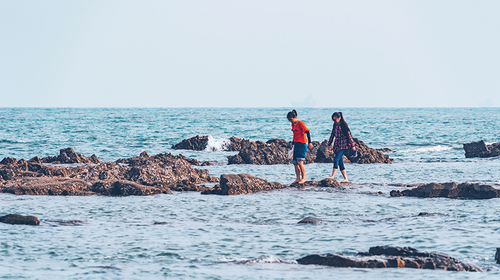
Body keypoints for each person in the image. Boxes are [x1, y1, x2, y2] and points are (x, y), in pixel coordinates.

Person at [326, 112, 356, 183]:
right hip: (337, 145)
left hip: (343, 145)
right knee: (340, 161)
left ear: (339, 118)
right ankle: (345, 178)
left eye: (335, 119)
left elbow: (349, 136)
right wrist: (329, 144)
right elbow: (332, 134)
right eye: (333, 120)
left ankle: (332, 176)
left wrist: (353, 145)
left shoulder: (344, 125)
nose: (334, 121)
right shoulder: (335, 125)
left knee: (336, 159)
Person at [287, 109, 313, 185]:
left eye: (291, 119)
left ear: (295, 117)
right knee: (295, 163)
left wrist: (310, 142)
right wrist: (293, 143)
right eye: (289, 120)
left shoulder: (300, 123)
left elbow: (307, 131)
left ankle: (303, 178)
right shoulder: (293, 124)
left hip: (302, 144)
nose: (290, 121)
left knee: (300, 162)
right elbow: (294, 134)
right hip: (296, 145)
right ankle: (297, 178)